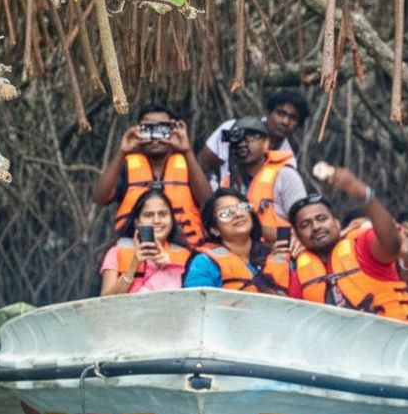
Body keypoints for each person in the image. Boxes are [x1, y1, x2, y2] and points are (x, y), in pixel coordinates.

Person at [286, 166, 408, 327]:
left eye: (321, 219)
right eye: (306, 225)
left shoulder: (361, 245)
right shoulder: (298, 272)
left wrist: (365, 196)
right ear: (297, 236)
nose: (316, 227)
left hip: (403, 339)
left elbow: (392, 245)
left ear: (336, 223)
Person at [94, 105, 212, 245]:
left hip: (185, 251)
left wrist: (187, 150)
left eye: (162, 129)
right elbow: (100, 198)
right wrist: (122, 151)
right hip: (136, 251)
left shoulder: (189, 165)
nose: (156, 138)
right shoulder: (126, 167)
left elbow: (208, 202)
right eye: (149, 129)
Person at [182, 189, 288, 293]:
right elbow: (197, 304)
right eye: (226, 213)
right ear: (215, 229)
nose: (238, 214)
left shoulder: (273, 256)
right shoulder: (204, 262)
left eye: (242, 208)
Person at [219, 116, 305, 243]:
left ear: (266, 144)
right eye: (238, 139)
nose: (243, 144)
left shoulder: (285, 176)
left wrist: (253, 225)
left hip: (280, 254)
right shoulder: (227, 184)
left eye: (250, 138)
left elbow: (303, 227)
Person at [198, 89, 310, 184]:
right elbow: (204, 163)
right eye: (280, 113)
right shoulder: (235, 130)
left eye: (293, 118)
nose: (285, 121)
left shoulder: (287, 160)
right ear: (268, 113)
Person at [100, 190, 194, 295]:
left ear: (172, 219)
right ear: (137, 222)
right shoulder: (115, 253)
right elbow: (104, 303)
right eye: (148, 215)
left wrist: (170, 267)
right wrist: (133, 267)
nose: (156, 221)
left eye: (163, 214)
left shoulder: (187, 256)